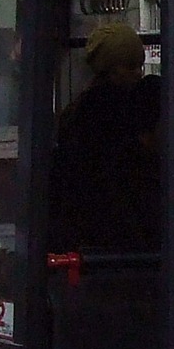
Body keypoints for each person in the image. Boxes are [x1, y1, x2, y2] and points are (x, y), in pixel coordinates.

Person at [49, 19, 161, 252]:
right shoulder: (105, 108)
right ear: (109, 68)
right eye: (130, 67)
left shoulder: (84, 105)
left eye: (140, 66)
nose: (138, 73)